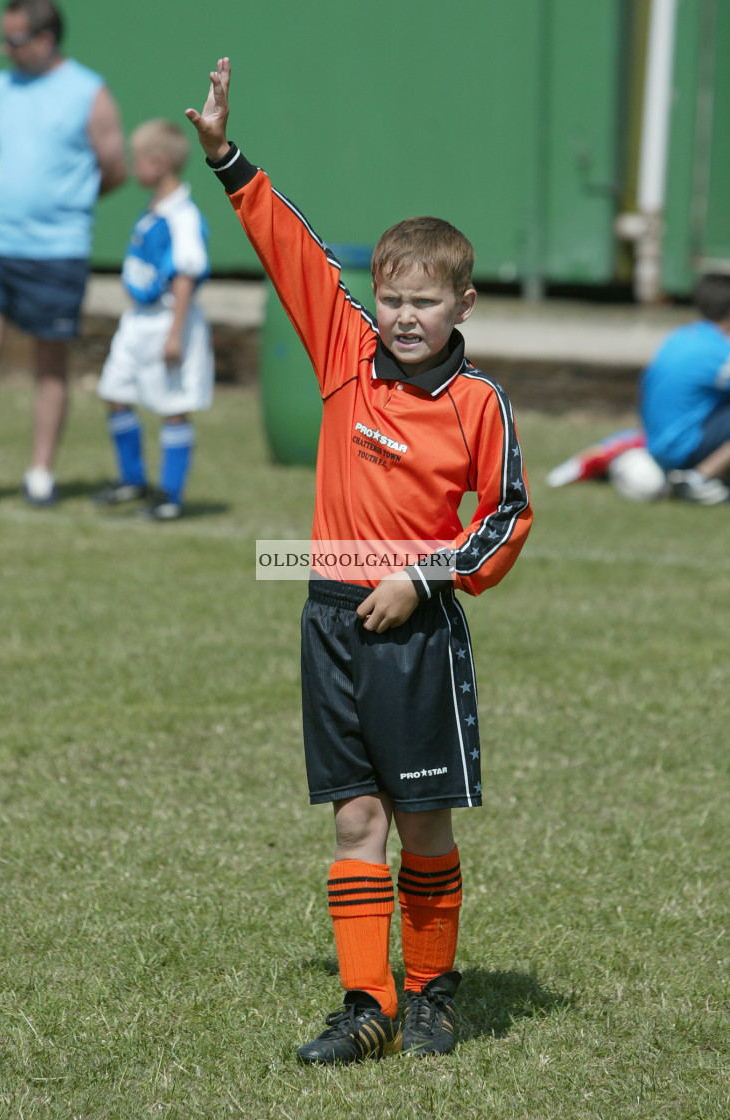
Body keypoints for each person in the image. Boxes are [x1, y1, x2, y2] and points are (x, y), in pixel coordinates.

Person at [186, 58, 532, 1064]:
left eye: (427, 299)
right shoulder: (344, 353)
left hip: (415, 626)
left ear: (463, 303)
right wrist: (225, 156)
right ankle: (366, 1003)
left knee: (422, 822)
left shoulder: (479, 405)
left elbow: (506, 516)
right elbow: (289, 248)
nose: (405, 314)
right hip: (331, 616)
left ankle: (431, 991)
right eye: (391, 296)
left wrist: (420, 575)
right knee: (357, 816)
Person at [0, 0, 126, 505]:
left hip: (56, 252)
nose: (4, 49)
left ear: (45, 40)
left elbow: (114, 166)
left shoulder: (89, 92)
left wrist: (65, 202)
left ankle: (39, 474)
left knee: (49, 365)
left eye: (15, 40)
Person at [94, 119, 214, 521]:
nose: (133, 167)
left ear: (158, 163)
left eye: (138, 160)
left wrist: (175, 334)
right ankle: (132, 479)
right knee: (115, 391)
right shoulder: (156, 208)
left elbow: (185, 273)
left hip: (166, 321)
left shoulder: (182, 216)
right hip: (137, 321)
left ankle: (169, 495)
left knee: (172, 405)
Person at [640, 273, 730, 506]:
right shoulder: (719, 352)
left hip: (656, 445)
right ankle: (700, 478)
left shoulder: (680, 337)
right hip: (683, 448)